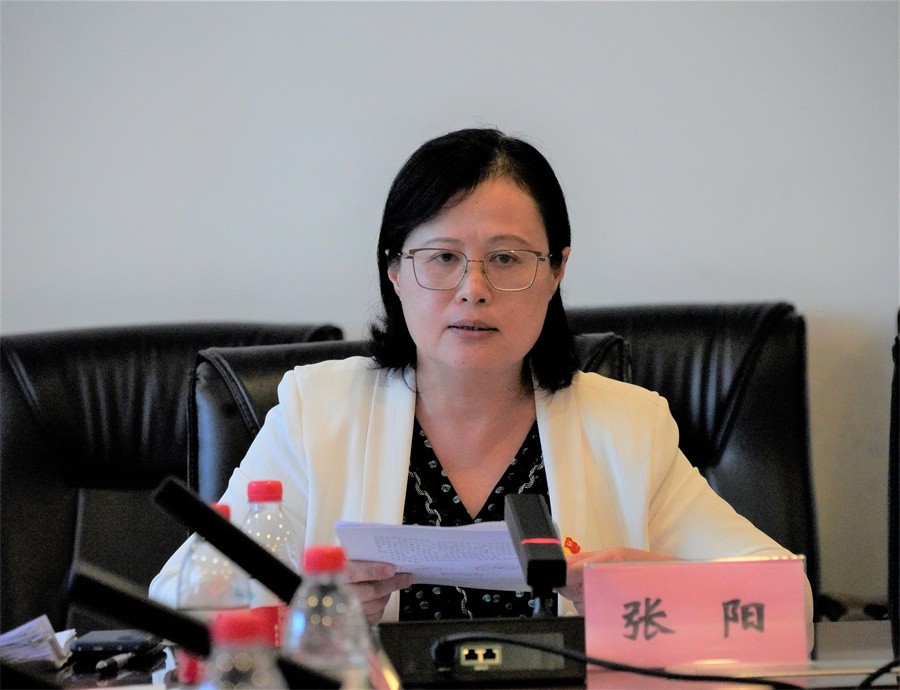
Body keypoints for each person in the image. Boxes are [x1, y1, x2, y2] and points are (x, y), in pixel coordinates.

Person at [150, 127, 812, 633]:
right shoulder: (315, 413)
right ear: (394, 271)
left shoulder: (627, 426)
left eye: (506, 258)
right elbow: (179, 601)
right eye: (442, 257)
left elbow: (786, 600)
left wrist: (653, 587)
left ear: (556, 270)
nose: (474, 288)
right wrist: (307, 605)